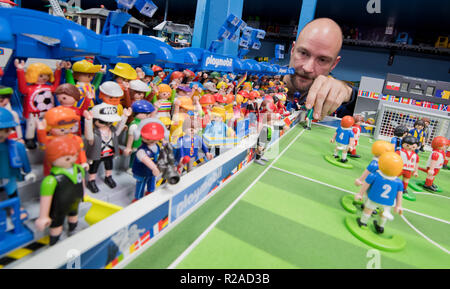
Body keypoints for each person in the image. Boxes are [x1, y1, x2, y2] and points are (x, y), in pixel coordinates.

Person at [283, 18, 357, 120]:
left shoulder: (338, 104)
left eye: (322, 60)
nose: (307, 68)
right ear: (292, 50)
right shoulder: (261, 80)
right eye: (303, 53)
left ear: (334, 64)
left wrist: (349, 93)